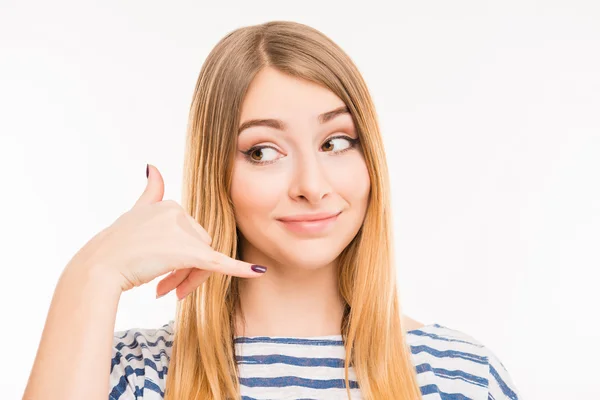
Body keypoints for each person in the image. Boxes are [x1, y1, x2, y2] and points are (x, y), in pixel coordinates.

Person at [23, 21, 521, 400]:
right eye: (263, 151)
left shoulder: (460, 376)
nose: (312, 186)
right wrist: (92, 273)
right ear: (218, 174)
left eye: (337, 141)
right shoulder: (132, 373)